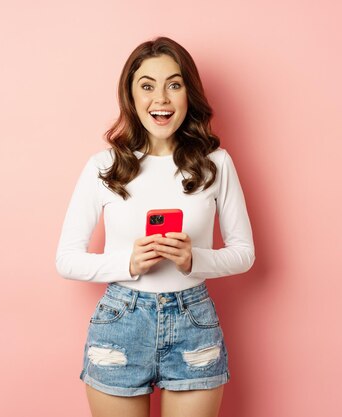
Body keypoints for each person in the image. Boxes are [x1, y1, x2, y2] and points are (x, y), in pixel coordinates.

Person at [55, 36, 255, 417]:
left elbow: (244, 253)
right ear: (131, 96)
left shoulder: (216, 164)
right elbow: (66, 259)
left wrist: (193, 260)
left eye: (173, 85)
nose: (160, 99)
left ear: (188, 94)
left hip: (194, 323)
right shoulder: (104, 166)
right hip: (121, 321)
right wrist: (127, 263)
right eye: (147, 86)